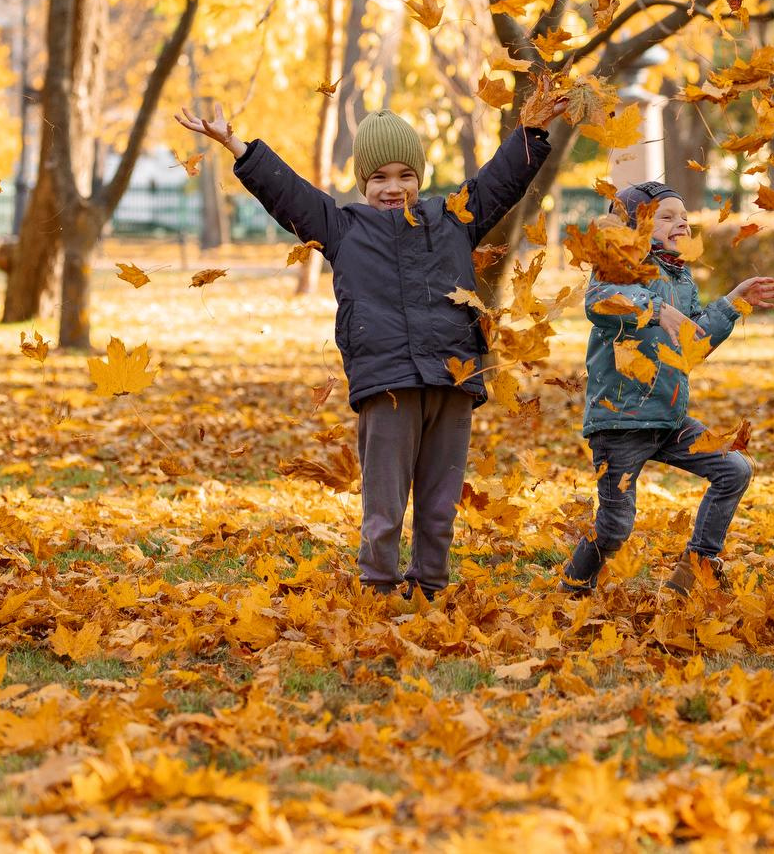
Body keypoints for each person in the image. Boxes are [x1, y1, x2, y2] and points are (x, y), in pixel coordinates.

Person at [175, 102, 551, 598]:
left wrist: (534, 128)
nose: (393, 187)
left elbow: (501, 179)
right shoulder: (342, 228)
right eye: (379, 177)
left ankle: (430, 585)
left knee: (440, 503)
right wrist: (235, 146)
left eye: (405, 175)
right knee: (385, 501)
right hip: (387, 387)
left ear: (420, 178)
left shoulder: (453, 218)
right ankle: (377, 583)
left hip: (452, 381)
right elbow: (286, 192)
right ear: (362, 183)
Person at [559, 181, 774, 596]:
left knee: (734, 469)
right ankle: (574, 582)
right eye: (666, 216)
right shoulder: (618, 265)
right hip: (621, 422)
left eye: (682, 216)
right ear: (635, 228)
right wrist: (657, 310)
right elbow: (600, 300)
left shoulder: (679, 275)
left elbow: (693, 342)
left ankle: (696, 564)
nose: (680, 222)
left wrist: (731, 303)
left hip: (669, 416)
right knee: (615, 529)